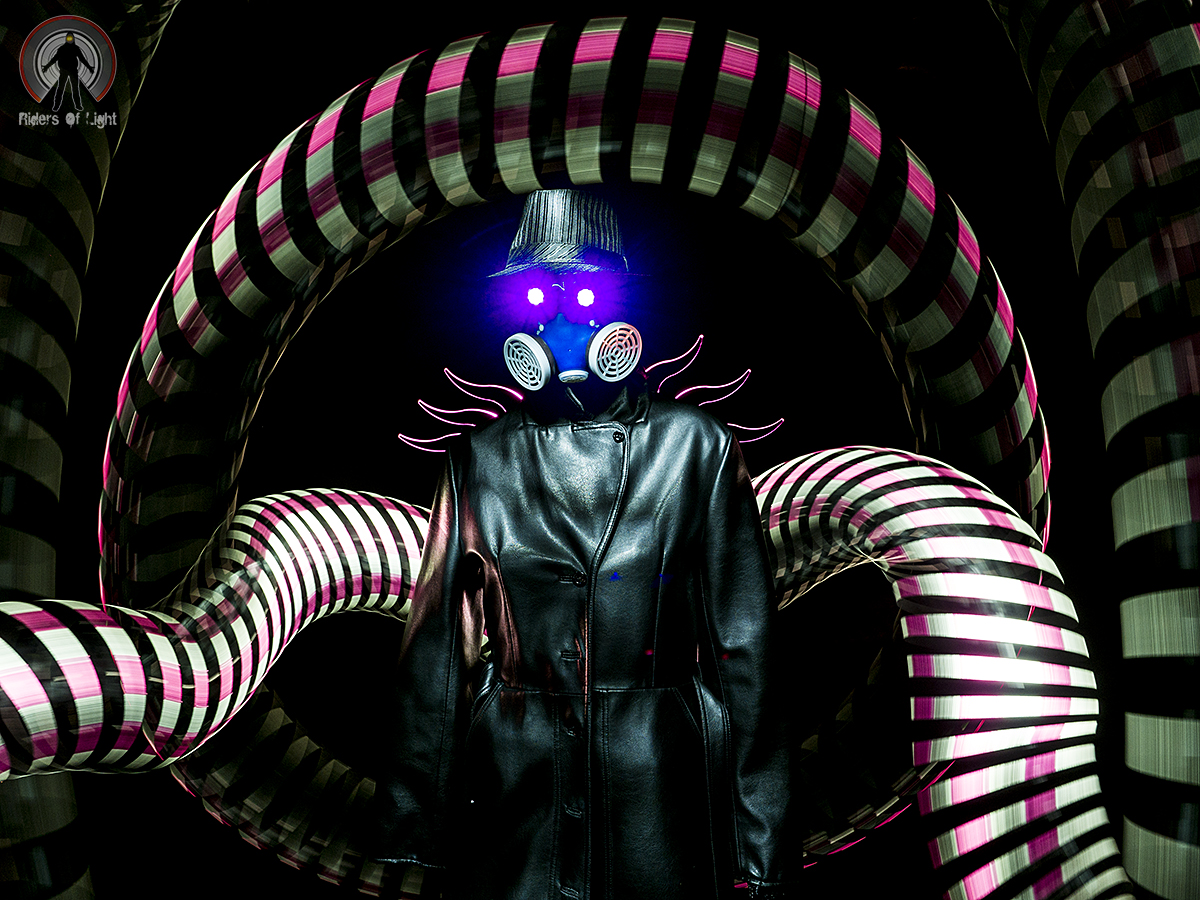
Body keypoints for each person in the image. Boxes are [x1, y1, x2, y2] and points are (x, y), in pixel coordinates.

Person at [369, 190, 794, 898]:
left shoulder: (697, 450)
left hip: (660, 798)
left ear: (624, 307)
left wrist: (763, 848)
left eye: (587, 292)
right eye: (538, 295)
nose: (564, 317)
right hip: (514, 804)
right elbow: (438, 657)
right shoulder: (477, 463)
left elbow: (746, 656)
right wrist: (415, 841)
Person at [42, 32, 93, 113]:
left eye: (70, 38)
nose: (69, 39)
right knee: (61, 88)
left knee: (75, 88)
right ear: (66, 39)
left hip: (73, 71)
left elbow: (82, 59)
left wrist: (89, 67)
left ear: (73, 39)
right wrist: (47, 67)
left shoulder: (75, 48)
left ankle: (78, 105)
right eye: (68, 38)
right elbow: (55, 58)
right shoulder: (62, 48)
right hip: (64, 71)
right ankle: (56, 105)